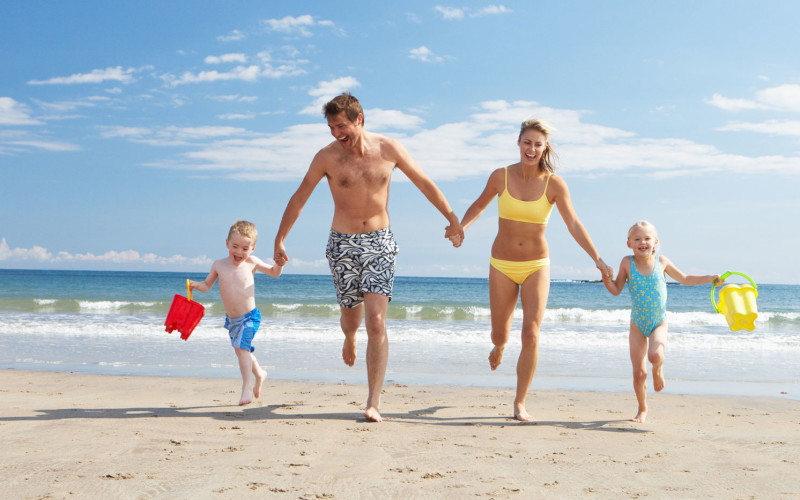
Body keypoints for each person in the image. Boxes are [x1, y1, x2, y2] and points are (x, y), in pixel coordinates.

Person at [273, 92, 463, 422]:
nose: (336, 134)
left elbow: (423, 182)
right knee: (352, 318)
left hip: (380, 241)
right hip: (342, 244)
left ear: (359, 119)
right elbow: (300, 196)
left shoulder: (389, 148)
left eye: (341, 126)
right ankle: (349, 336)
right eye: (331, 127)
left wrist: (452, 218)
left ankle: (373, 401)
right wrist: (280, 238)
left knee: (376, 321)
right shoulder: (326, 157)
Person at [460, 119, 610, 422]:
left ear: (544, 148)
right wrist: (461, 227)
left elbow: (573, 224)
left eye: (537, 144)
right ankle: (499, 346)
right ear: (518, 143)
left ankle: (519, 402)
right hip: (501, 265)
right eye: (527, 142)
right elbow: (478, 205)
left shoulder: (554, 183)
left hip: (536, 266)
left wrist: (598, 259)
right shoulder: (500, 176)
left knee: (531, 333)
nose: (532, 149)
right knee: (499, 333)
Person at [602, 220, 720, 423]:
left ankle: (658, 369)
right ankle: (642, 409)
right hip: (637, 323)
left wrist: (710, 278)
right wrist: (606, 278)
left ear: (655, 241)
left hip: (659, 322)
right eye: (637, 238)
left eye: (647, 238)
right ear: (629, 243)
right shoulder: (626, 263)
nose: (642, 242)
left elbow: (684, 279)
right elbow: (615, 290)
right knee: (639, 373)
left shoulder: (662, 261)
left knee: (655, 355)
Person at [190, 220, 283, 406]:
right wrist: (194, 285)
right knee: (243, 351)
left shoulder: (252, 262)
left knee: (241, 350)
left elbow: (274, 273)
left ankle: (246, 387)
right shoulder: (218, 265)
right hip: (232, 320)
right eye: (235, 247)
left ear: (253, 248)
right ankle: (260, 374)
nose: (239, 252)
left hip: (250, 317)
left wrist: (279, 263)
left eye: (245, 248)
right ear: (227, 244)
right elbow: (207, 285)